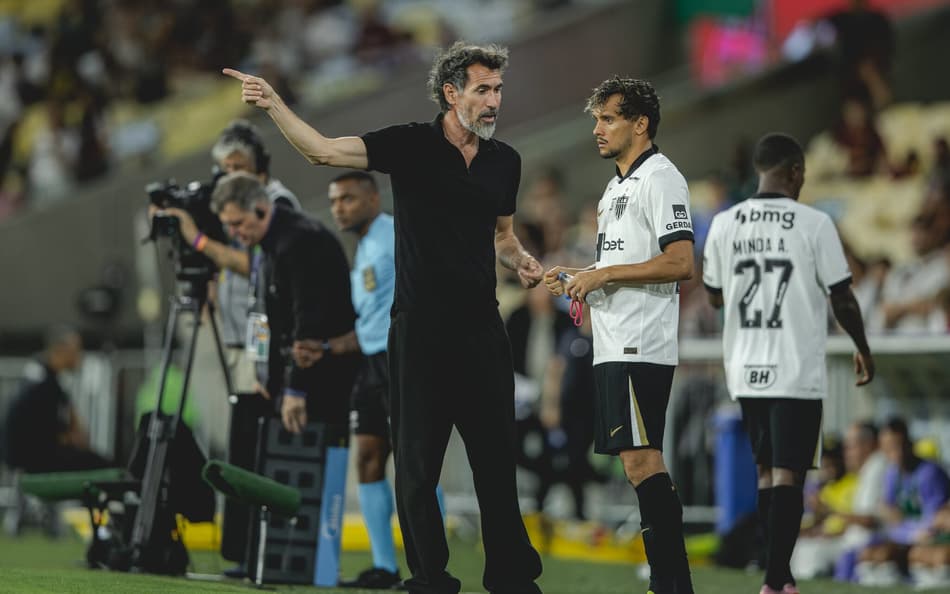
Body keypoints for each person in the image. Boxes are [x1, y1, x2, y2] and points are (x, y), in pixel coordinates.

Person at [223, 41, 545, 594]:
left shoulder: (504, 161)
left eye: (498, 89)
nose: (494, 101)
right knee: (417, 468)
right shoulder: (411, 145)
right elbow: (322, 151)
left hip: (482, 332)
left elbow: (502, 235)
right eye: (483, 90)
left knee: (496, 467)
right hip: (419, 332)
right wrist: (274, 103)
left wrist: (522, 261)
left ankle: (511, 578)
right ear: (451, 93)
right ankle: (430, 578)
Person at [702, 132, 875, 594]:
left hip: (745, 365)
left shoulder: (724, 224)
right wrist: (862, 345)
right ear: (796, 171)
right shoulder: (814, 224)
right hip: (794, 366)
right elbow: (842, 296)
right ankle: (778, 578)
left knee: (765, 471)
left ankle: (776, 574)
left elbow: (715, 295)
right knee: (789, 473)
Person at [543, 76, 696, 594]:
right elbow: (622, 264)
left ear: (640, 123)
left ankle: (671, 584)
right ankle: (668, 582)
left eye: (608, 118)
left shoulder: (661, 178)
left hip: (641, 342)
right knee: (637, 464)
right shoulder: (615, 187)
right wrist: (580, 276)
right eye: (596, 119)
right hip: (613, 341)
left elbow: (680, 262)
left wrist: (603, 276)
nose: (597, 129)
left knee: (642, 460)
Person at [325, 171, 404, 589]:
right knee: (368, 458)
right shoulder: (364, 248)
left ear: (373, 199)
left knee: (415, 465)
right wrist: (326, 347)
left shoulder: (393, 237)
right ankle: (384, 567)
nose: (339, 207)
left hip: (400, 362)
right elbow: (370, 319)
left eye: (348, 199)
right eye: (335, 200)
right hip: (370, 365)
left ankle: (433, 567)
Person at [854, 418, 950, 587]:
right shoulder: (892, 474)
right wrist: (903, 527)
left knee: (925, 555)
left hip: (930, 537)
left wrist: (906, 525)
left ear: (909, 444)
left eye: (898, 446)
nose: (895, 453)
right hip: (907, 534)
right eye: (888, 448)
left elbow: (936, 520)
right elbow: (887, 510)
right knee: (869, 554)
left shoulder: (929, 473)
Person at [3, 325, 111, 474]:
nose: (80, 356)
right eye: (76, 350)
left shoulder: (42, 375)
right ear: (61, 350)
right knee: (103, 467)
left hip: (28, 455)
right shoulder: (43, 385)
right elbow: (56, 435)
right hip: (33, 459)